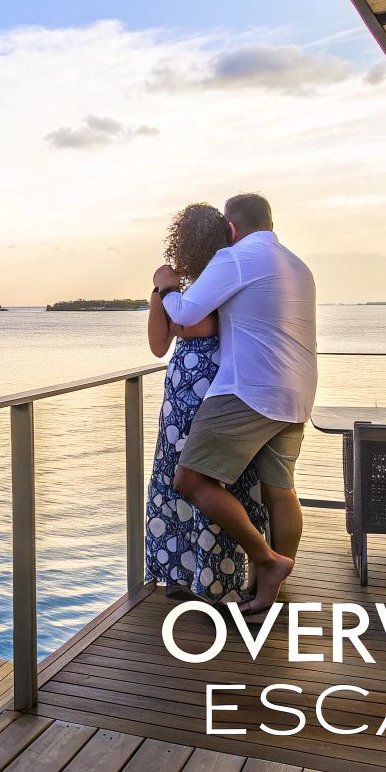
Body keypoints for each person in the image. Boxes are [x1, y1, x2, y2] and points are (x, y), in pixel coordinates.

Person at [153, 193, 317, 612]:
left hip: (249, 391)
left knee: (190, 479)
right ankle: (269, 589)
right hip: (297, 392)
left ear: (231, 228)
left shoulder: (237, 257)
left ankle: (266, 559)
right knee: (280, 490)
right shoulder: (297, 264)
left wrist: (167, 288)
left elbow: (188, 313)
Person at [144, 203, 271, 603]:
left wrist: (166, 292)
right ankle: (189, 576)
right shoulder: (190, 289)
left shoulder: (222, 277)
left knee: (203, 478)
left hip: (212, 386)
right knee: (181, 477)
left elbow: (195, 326)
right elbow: (158, 345)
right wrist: (157, 298)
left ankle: (214, 582)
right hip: (185, 388)